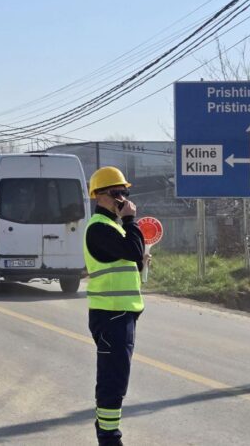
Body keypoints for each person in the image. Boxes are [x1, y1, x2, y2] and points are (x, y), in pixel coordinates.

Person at [84, 166, 150, 446]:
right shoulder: (99, 227)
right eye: (116, 193)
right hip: (111, 316)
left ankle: (107, 431)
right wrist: (132, 220)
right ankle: (109, 438)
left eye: (124, 192)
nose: (122, 198)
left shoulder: (113, 228)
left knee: (117, 378)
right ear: (99, 196)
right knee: (113, 381)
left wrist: (141, 261)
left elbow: (132, 258)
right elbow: (131, 250)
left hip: (121, 314)